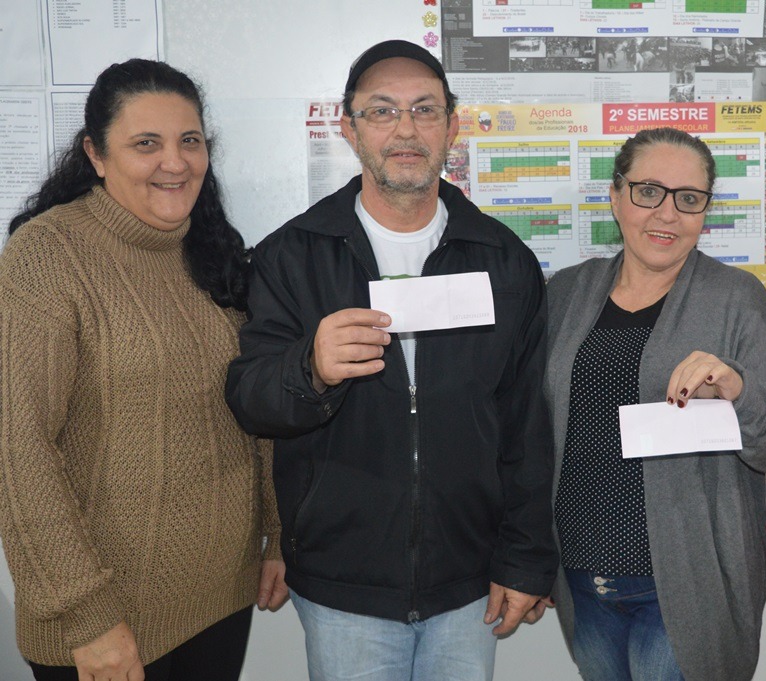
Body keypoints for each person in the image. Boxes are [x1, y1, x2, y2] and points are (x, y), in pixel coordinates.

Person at [225, 40, 557, 681]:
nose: (405, 129)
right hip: (342, 582)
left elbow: (525, 425)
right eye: (382, 112)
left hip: (468, 582)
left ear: (452, 127)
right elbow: (249, 398)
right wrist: (310, 367)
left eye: (425, 110)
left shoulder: (503, 259)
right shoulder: (292, 256)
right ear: (348, 129)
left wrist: (523, 559)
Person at [0, 59, 286, 681]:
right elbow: (18, 450)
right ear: (95, 156)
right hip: (104, 621)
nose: (175, 162)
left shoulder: (213, 251)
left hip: (221, 596)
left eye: (190, 141)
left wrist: (276, 532)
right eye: (145, 144)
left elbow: (253, 409)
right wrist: (88, 618)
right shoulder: (48, 255)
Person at [545, 126, 766, 681]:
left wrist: (737, 389)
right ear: (616, 196)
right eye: (648, 192)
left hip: (690, 585)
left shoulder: (737, 299)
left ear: (704, 213)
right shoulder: (565, 292)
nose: (667, 214)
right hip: (584, 577)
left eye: (688, 199)